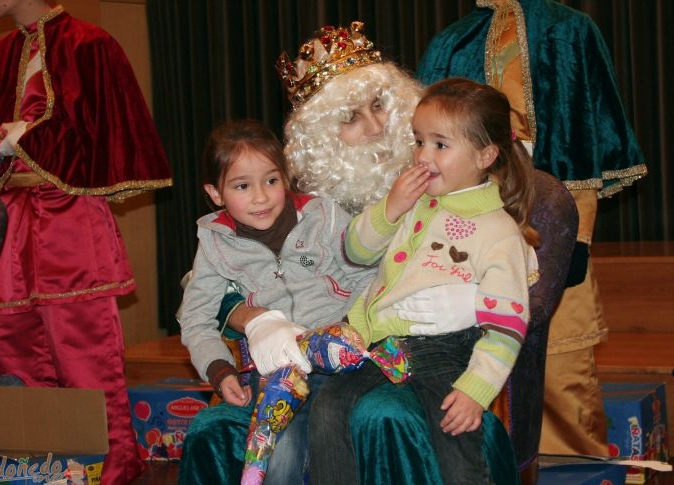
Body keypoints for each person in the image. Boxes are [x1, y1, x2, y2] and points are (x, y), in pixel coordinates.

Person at [180, 22, 521, 485]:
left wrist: (471, 299)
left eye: (380, 106)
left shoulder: (449, 176)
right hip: (320, 355)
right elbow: (204, 286)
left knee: (378, 417)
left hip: (407, 353)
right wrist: (252, 318)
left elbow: (512, 273)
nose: (377, 128)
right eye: (351, 117)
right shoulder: (296, 198)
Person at [0, 1, 172, 483]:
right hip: (6, 221)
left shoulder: (90, 44)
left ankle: (110, 470)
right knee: (12, 350)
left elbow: (102, 132)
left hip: (69, 216)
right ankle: (30, 469)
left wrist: (20, 138)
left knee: (83, 350)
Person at [416, 0, 647, 457]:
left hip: (551, 215)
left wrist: (576, 232)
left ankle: (571, 461)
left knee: (560, 351)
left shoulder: (570, 31)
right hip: (464, 216)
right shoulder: (451, 40)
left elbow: (584, 128)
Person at [310, 77, 539, 484]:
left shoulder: (497, 231)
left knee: (453, 437)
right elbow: (357, 250)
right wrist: (391, 208)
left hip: (445, 352)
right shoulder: (413, 203)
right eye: (418, 141)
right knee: (328, 407)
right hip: (377, 342)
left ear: (486, 154)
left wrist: (476, 389)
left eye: (440, 144)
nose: (423, 156)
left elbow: (508, 326)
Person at [178, 117, 374, 403]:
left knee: (329, 415)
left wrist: (349, 327)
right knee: (285, 443)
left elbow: (367, 276)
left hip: (343, 350)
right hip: (278, 365)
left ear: (285, 176)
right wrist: (219, 370)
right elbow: (196, 319)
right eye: (242, 186)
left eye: (271, 181)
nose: (261, 197)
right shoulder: (214, 243)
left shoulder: (322, 216)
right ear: (216, 194)